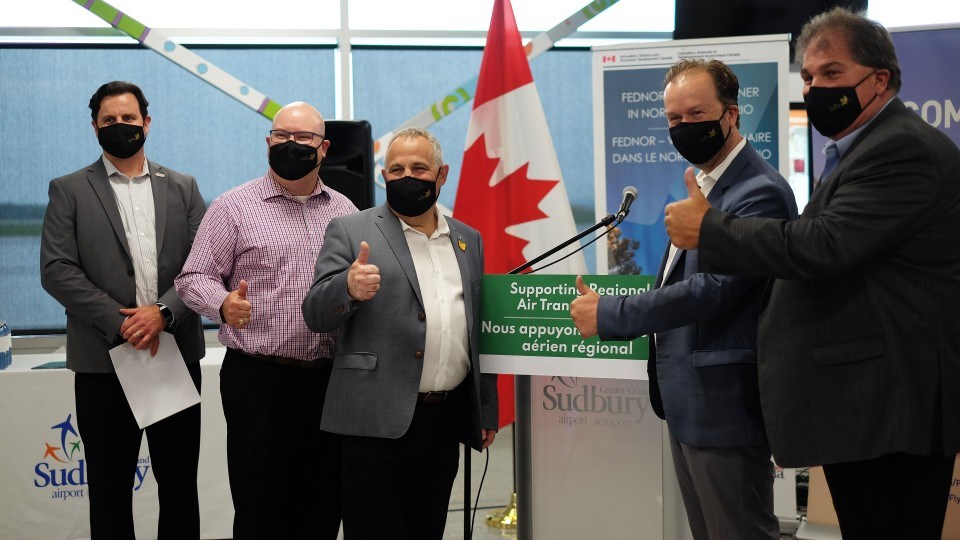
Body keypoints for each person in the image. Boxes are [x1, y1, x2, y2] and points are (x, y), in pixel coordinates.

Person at [663, 8, 960, 538]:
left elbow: (822, 246)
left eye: (831, 73)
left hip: (892, 406)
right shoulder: (854, 150)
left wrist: (711, 230)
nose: (815, 86)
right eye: (807, 76)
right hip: (868, 404)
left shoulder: (901, 147)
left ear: (880, 79)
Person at [570, 59, 797, 539]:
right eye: (673, 119)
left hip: (726, 403)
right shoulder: (699, 184)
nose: (683, 128)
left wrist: (611, 314)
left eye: (695, 115)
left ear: (731, 115)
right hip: (688, 398)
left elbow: (712, 290)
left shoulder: (760, 193)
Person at [302, 127, 498, 540]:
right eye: (396, 168)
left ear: (442, 175)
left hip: (444, 420)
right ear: (384, 176)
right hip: (373, 422)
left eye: (418, 167)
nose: (406, 175)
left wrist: (485, 408)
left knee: (428, 529)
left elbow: (479, 330)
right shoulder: (350, 229)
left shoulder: (468, 239)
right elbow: (315, 314)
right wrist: (348, 289)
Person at [175, 102, 355, 539]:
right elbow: (192, 276)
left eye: (303, 139)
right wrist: (221, 305)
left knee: (321, 505)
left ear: (324, 148)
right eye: (282, 136)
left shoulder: (347, 211)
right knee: (261, 506)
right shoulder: (233, 206)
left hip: (328, 380)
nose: (291, 145)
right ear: (269, 141)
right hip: (259, 381)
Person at [40, 81, 206, 539]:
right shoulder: (69, 189)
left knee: (178, 487)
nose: (120, 127)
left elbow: (202, 266)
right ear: (94, 126)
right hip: (103, 362)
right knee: (109, 493)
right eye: (109, 120)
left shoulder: (184, 187)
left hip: (172, 354)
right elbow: (57, 270)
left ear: (147, 123)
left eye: (129, 119)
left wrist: (162, 314)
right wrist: (128, 323)